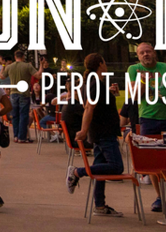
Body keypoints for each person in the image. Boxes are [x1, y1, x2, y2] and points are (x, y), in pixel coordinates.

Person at [63, 53, 126, 218]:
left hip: (99, 131)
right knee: (116, 167)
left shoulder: (90, 83)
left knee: (100, 169)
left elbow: (89, 104)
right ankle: (77, 172)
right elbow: (89, 107)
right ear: (100, 64)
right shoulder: (95, 83)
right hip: (104, 131)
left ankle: (99, 205)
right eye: (104, 62)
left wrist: (109, 92)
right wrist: (83, 131)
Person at [125, 42, 166, 212]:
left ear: (154, 53)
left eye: (148, 51)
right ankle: (160, 197)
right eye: (142, 53)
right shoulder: (133, 70)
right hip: (148, 118)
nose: (145, 55)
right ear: (138, 56)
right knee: (153, 160)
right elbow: (134, 95)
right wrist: (143, 80)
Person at [3, 51, 36, 144]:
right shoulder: (27, 66)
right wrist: (41, 66)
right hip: (24, 93)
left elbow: (2, 76)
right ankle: (22, 137)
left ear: (15, 57)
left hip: (13, 93)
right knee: (23, 115)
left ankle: (16, 136)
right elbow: (38, 75)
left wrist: (3, 66)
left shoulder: (9, 67)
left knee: (15, 115)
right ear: (23, 57)